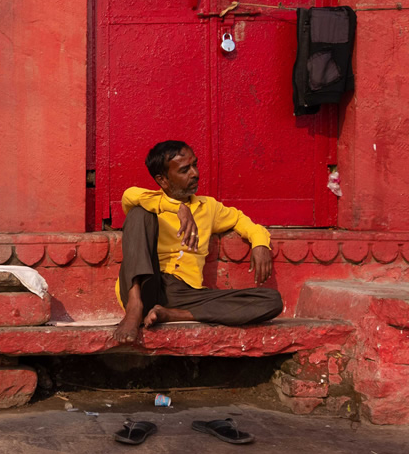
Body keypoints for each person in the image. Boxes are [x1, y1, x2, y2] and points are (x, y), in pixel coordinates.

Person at [114, 140, 283, 344]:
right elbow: (128, 195)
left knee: (271, 301)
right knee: (138, 214)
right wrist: (177, 208)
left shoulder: (208, 207)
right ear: (163, 180)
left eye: (195, 165)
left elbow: (240, 219)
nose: (195, 173)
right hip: (146, 285)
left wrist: (260, 243)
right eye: (185, 170)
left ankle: (173, 314)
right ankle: (135, 308)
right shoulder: (149, 201)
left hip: (186, 294)